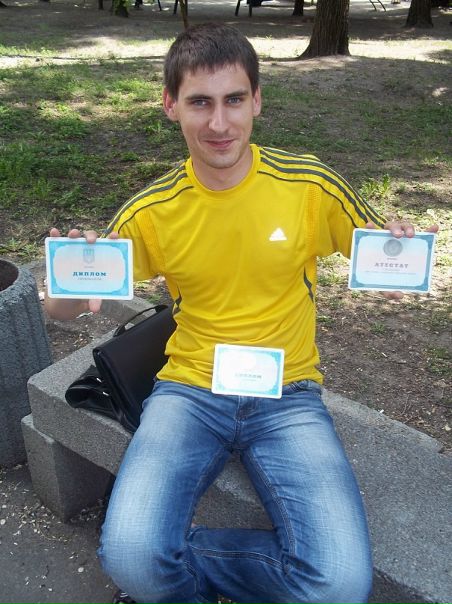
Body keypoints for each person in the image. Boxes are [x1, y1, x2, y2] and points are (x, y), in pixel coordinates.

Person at [45, 23, 438, 604]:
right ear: (171, 106)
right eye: (200, 102)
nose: (219, 123)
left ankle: (181, 557)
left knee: (338, 586)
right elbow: (57, 310)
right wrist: (73, 282)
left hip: (288, 394)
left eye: (233, 99)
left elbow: (383, 248)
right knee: (131, 558)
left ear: (257, 100)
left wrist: (399, 250)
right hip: (189, 391)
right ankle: (163, 566)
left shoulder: (308, 186)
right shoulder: (153, 210)